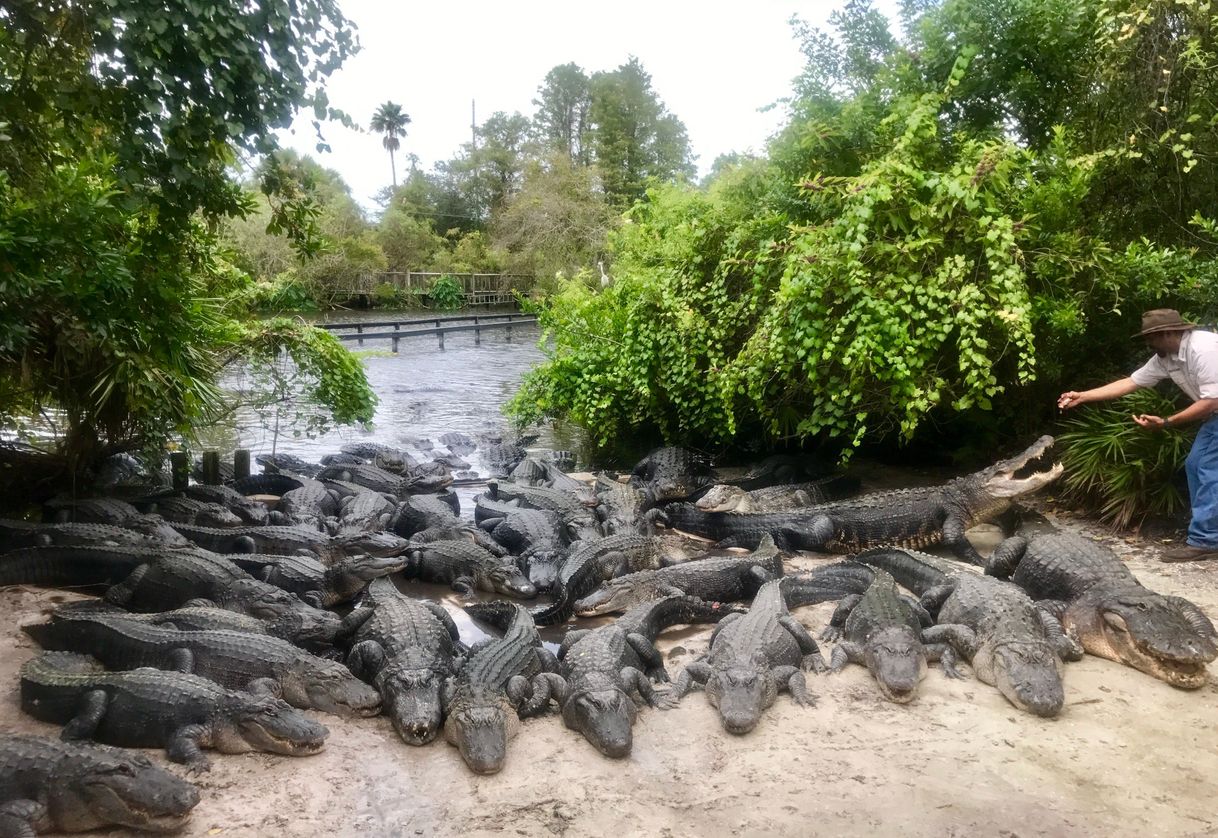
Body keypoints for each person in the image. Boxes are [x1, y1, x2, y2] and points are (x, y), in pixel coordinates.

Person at [1058, 308, 1218, 562]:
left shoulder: (1203, 349)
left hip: (1215, 410)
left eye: (1150, 338)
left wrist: (1167, 421)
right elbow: (1132, 382)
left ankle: (1206, 540)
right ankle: (1208, 537)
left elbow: (1211, 402)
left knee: (1204, 465)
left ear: (1166, 333)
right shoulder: (1167, 357)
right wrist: (1083, 396)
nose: (1148, 343)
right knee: (1199, 464)